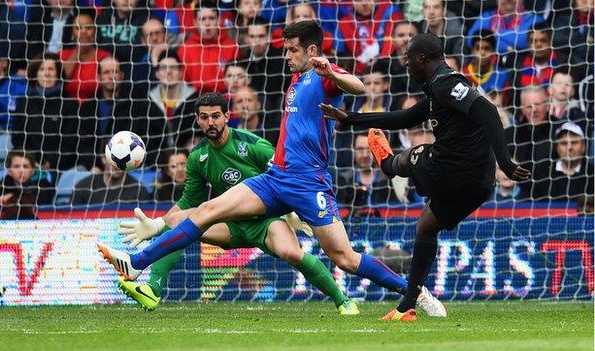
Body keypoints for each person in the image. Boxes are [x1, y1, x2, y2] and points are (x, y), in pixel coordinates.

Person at [98, 21, 446, 318]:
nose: (286, 55)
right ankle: (137, 262)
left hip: (309, 184)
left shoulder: (323, 75)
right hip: (275, 178)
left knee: (345, 258)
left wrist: (332, 72)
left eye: (292, 50)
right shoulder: (294, 85)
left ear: (310, 51)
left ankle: (414, 291)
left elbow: (356, 87)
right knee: (206, 210)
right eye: (285, 49)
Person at [319, 33, 530, 321]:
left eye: (408, 59)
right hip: (479, 185)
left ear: (421, 59)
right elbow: (404, 118)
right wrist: (351, 118)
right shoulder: (436, 89)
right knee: (426, 226)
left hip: (451, 169)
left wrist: (505, 163)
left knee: (414, 153)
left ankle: (389, 163)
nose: (405, 64)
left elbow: (489, 110)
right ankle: (407, 306)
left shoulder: (446, 83)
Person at [115, 93, 358, 314]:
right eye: (204, 117)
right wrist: (159, 223)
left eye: (216, 116)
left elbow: (288, 177)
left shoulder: (253, 145)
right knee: (179, 220)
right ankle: (153, 290)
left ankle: (342, 300)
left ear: (227, 117)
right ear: (198, 121)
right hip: (229, 224)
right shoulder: (198, 157)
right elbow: (189, 201)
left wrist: (294, 211)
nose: (211, 122)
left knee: (291, 253)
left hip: (266, 221)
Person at [0, 151, 54, 219]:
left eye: (25, 166)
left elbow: (40, 203)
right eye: (16, 166)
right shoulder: (3, 184)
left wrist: (12, 198)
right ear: (9, 171)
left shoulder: (43, 185)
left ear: (32, 170)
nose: (21, 171)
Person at [72, 154, 150, 205]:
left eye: (124, 159)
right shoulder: (82, 187)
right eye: (114, 158)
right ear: (104, 159)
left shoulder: (139, 191)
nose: (118, 164)